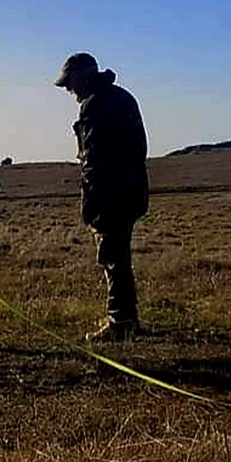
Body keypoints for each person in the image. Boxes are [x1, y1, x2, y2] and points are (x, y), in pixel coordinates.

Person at [53, 53, 149, 341]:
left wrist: (91, 199)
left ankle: (120, 322)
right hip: (132, 189)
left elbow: (93, 160)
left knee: (112, 257)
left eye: (70, 84)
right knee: (120, 255)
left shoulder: (94, 105)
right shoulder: (121, 96)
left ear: (82, 77)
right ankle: (127, 318)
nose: (70, 91)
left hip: (111, 194)